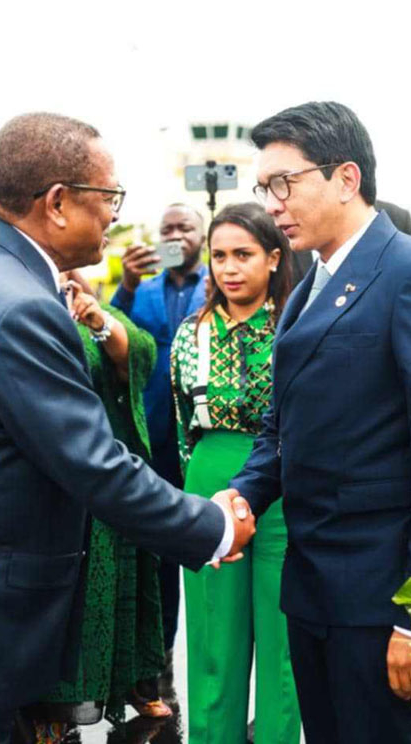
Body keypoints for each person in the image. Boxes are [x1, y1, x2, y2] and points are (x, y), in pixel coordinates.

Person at [0, 112, 255, 744]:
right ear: (59, 203)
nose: (116, 214)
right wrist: (216, 527)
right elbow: (94, 464)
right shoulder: (23, 308)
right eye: (110, 197)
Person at [229, 101, 411, 744]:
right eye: (265, 188)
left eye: (284, 183)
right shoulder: (310, 279)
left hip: (382, 599)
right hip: (313, 588)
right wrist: (245, 492)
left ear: (346, 179)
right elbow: (283, 429)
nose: (273, 202)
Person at [171, 203, 301, 744]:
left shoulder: (298, 327)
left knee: (282, 639)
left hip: (286, 487)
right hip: (208, 485)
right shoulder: (189, 334)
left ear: (273, 258)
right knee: (213, 640)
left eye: (243, 255)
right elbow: (182, 426)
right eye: (219, 255)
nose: (229, 268)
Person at [25, 273, 171, 744]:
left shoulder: (84, 301)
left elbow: (143, 354)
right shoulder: (18, 302)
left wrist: (97, 319)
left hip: (103, 473)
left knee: (121, 584)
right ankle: (51, 707)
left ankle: (131, 679)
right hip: (46, 477)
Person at [111, 203, 208, 685]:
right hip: (153, 437)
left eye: (184, 227)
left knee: (212, 547)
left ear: (202, 234)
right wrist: (125, 286)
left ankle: (217, 655)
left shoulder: (221, 280)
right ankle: (158, 657)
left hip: (205, 437)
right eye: (167, 228)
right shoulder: (140, 289)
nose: (175, 235)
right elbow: (108, 331)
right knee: (159, 551)